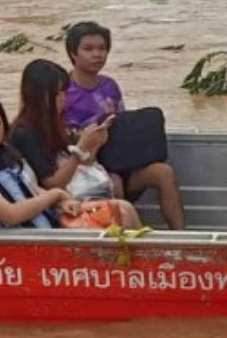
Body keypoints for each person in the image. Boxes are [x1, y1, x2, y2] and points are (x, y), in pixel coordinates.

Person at [64, 21, 186, 229]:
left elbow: (122, 124)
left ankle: (181, 237)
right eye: (88, 49)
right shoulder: (64, 92)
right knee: (115, 183)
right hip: (86, 168)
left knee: (163, 172)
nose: (97, 55)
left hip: (119, 160)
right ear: (73, 53)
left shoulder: (109, 85)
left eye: (102, 49)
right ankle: (125, 244)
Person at [0, 91, 102, 230]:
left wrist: (62, 201)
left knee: (121, 210)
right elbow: (11, 214)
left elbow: (30, 188)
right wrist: (55, 194)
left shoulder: (2, 151)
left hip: (17, 232)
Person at [9, 59, 141, 230]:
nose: (65, 98)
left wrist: (94, 143)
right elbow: (53, 183)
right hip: (53, 204)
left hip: (68, 194)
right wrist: (80, 149)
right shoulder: (25, 134)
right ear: (42, 96)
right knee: (124, 210)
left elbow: (74, 163)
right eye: (59, 93)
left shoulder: (50, 124)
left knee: (121, 203)